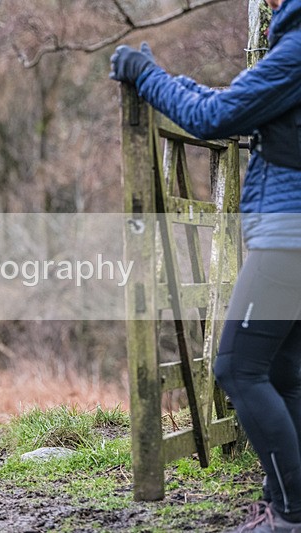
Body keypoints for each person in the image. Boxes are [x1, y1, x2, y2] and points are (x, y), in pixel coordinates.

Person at [110, 1, 301, 530]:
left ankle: (289, 514)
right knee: (284, 372)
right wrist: (172, 80)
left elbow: (215, 118)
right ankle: (289, 504)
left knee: (237, 367)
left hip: (289, 239)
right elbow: (233, 103)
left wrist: (147, 77)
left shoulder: (298, 48)